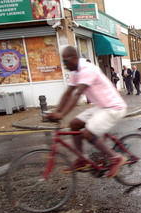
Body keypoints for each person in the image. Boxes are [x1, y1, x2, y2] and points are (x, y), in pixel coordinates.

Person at [46, 46, 127, 178]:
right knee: (74, 124)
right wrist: (56, 111)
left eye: (65, 62)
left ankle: (116, 157)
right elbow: (68, 94)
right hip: (102, 107)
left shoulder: (87, 69)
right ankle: (82, 159)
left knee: (88, 133)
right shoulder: (75, 73)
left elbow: (77, 94)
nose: (64, 65)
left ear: (74, 58)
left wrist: (61, 114)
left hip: (114, 107)